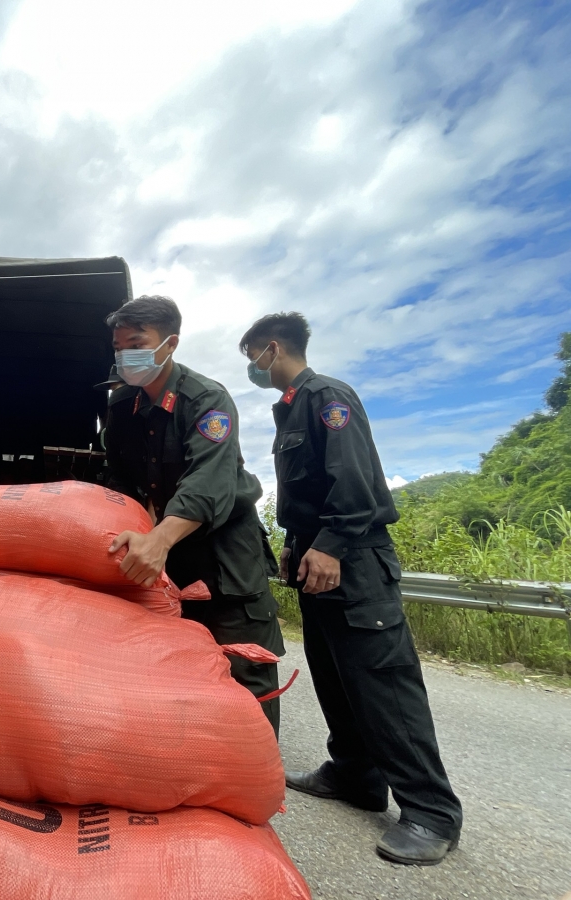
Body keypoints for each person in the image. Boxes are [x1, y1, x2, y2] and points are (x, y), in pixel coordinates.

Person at [239, 311, 462, 866]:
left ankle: (432, 813)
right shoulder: (289, 407)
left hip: (353, 560)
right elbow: (309, 488)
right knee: (336, 675)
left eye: (251, 358)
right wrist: (295, 541)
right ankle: (355, 775)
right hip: (317, 556)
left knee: (384, 683)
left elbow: (355, 482)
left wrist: (332, 544)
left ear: (271, 348)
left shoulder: (327, 396)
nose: (252, 369)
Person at [104, 295, 287, 735]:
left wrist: (159, 540)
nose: (125, 354)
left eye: (136, 342)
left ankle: (251, 793)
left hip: (225, 561)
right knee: (178, 677)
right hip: (171, 563)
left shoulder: (206, 399)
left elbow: (208, 482)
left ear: (170, 344)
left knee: (241, 677)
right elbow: (121, 482)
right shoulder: (121, 407)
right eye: (117, 346)